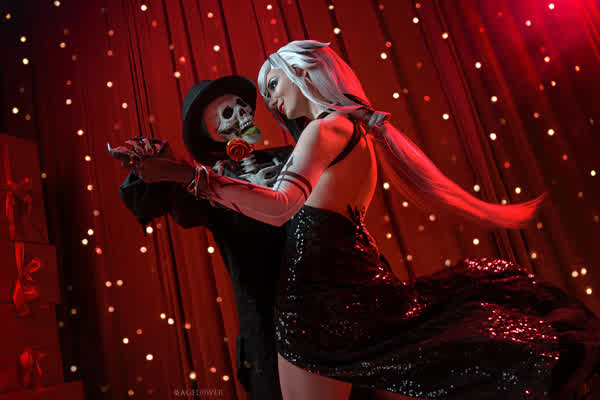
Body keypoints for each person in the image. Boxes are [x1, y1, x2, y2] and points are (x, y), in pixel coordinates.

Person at [134, 41, 600, 400]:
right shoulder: (346, 131)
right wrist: (175, 174)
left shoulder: (325, 130)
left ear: (302, 73)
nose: (268, 104)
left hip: (317, 302)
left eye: (271, 86)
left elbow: (279, 207)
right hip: (321, 297)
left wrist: (186, 175)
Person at [115, 76, 291, 400]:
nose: (242, 115)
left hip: (318, 300)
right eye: (227, 113)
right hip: (266, 322)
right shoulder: (208, 185)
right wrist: (163, 167)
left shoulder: (289, 157)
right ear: (209, 133)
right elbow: (177, 205)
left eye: (242, 106)